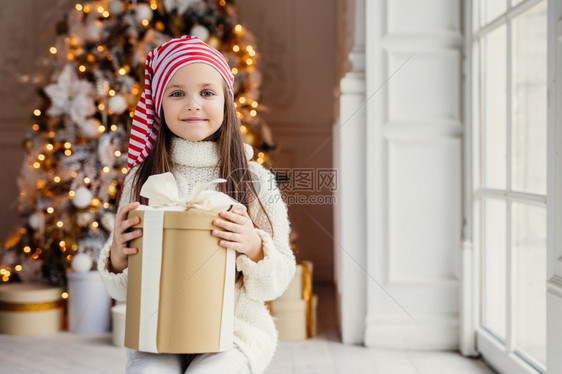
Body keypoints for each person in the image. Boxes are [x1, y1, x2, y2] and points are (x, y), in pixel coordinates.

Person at [98, 35, 296, 374]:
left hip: (235, 330)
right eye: (177, 93)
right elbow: (124, 290)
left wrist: (254, 246)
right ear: (159, 104)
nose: (192, 104)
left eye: (207, 92)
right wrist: (117, 256)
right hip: (159, 326)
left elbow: (276, 281)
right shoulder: (140, 179)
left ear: (226, 102)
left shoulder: (256, 179)